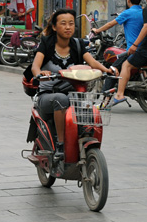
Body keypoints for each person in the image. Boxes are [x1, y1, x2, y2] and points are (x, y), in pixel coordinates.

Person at [31, 9, 112, 161]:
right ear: (54, 27)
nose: (68, 27)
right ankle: (61, 145)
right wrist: (40, 73)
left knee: (88, 105)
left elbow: (92, 62)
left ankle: (84, 135)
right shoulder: (46, 43)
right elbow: (35, 65)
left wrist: (108, 70)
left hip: (73, 94)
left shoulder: (78, 44)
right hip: (48, 96)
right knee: (61, 99)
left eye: (71, 24)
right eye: (63, 24)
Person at [92, 0, 144, 97]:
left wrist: (97, 30)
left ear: (128, 0)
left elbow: (111, 24)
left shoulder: (128, 13)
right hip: (145, 49)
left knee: (112, 69)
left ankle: (105, 100)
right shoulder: (144, 12)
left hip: (132, 50)